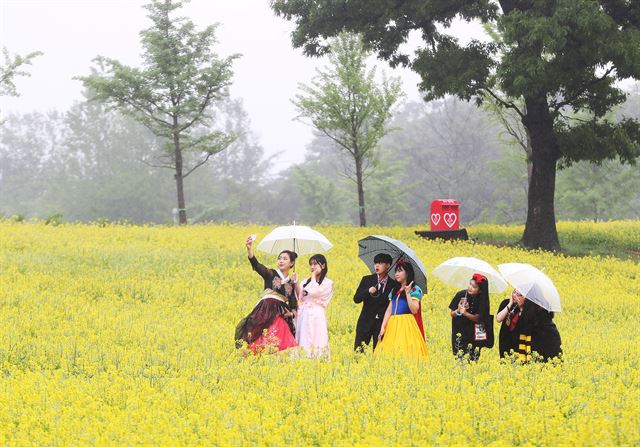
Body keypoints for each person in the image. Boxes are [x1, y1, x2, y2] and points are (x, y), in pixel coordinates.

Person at [235, 235, 298, 353]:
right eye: (279, 258)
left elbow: (294, 305)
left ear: (292, 263)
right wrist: (249, 249)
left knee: (280, 341)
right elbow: (257, 266)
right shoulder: (271, 274)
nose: (281, 261)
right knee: (259, 337)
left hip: (280, 313)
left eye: (285, 258)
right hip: (265, 310)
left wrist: (290, 314)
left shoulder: (291, 283)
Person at [376, 259, 428, 358]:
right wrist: (383, 327)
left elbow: (414, 310)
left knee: (404, 352)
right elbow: (389, 310)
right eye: (396, 271)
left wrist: (408, 293)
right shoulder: (395, 290)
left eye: (400, 271)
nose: (396, 274)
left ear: (407, 273)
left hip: (406, 324)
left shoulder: (415, 289)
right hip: (392, 324)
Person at [353, 253, 399, 352]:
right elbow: (356, 299)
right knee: (358, 353)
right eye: (376, 263)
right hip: (365, 323)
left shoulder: (394, 285)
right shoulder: (367, 280)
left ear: (388, 265)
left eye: (381, 263)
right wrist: (368, 291)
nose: (377, 266)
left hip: (382, 325)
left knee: (379, 354)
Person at [295, 254, 333, 358]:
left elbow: (315, 292)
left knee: (318, 336)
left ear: (323, 266)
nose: (312, 267)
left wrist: (313, 277)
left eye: (315, 264)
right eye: (311, 264)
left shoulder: (328, 283)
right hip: (304, 312)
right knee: (304, 336)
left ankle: (319, 359)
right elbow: (300, 297)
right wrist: (297, 283)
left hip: (317, 313)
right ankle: (304, 357)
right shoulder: (305, 281)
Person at [448, 273, 491, 361]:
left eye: (474, 287)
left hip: (475, 334)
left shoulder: (483, 300)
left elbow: (479, 318)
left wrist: (466, 313)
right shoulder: (461, 294)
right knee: (459, 358)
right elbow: (452, 314)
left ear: (480, 290)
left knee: (473, 359)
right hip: (459, 331)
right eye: (470, 284)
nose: (470, 287)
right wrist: (458, 311)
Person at [496, 289, 521, 359]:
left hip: (517, 339)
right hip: (505, 338)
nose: (515, 295)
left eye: (518, 294)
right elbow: (498, 318)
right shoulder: (505, 302)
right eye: (514, 292)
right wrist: (510, 303)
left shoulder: (523, 307)